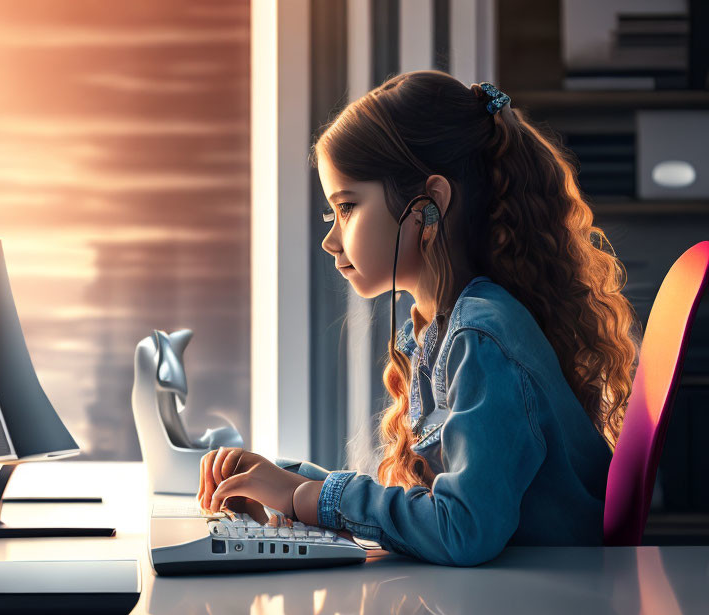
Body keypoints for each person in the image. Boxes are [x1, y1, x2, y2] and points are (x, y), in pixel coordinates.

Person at [196, 70, 642, 567]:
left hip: (550, 613)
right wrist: (289, 482)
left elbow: (461, 529)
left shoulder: (480, 337)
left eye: (346, 207)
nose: (331, 240)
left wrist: (306, 498)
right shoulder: (445, 327)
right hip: (522, 598)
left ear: (430, 205)